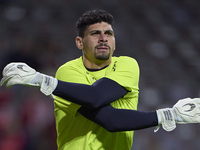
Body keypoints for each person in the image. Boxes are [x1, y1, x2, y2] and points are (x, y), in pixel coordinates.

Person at [1, 9, 200, 150]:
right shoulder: (67, 72)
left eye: (109, 34)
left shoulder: (127, 65)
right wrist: (168, 116)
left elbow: (97, 97)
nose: (103, 38)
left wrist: (44, 82)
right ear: (80, 42)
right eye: (95, 34)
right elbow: (109, 118)